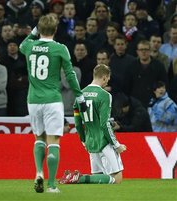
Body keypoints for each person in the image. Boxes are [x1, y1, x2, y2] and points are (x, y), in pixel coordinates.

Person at [19, 14, 87, 193]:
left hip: (33, 100)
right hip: (52, 100)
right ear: (56, 30)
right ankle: (51, 185)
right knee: (54, 142)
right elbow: (70, 75)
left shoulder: (29, 46)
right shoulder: (60, 49)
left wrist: (34, 30)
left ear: (39, 30)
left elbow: (22, 44)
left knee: (39, 139)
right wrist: (79, 96)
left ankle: (39, 172)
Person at [60, 64, 127, 185]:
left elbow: (78, 123)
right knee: (117, 179)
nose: (107, 82)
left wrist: (83, 140)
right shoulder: (105, 95)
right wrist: (116, 145)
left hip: (90, 141)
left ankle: (76, 177)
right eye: (108, 79)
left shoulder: (80, 95)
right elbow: (104, 124)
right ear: (105, 77)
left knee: (97, 178)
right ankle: (79, 178)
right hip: (104, 141)